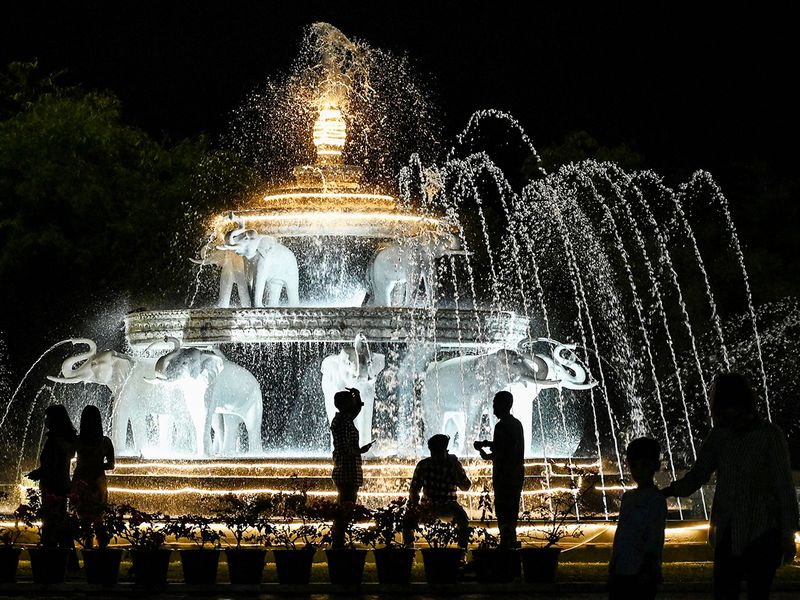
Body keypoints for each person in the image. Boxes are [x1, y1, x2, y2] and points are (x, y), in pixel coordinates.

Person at [662, 372, 799, 599]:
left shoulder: (764, 435)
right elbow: (699, 474)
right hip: (741, 529)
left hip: (757, 530)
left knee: (746, 592)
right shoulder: (725, 435)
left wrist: (787, 533)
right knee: (735, 591)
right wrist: (669, 491)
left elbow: (783, 486)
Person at [608, 437, 667, 600]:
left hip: (642, 572)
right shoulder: (628, 497)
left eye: (644, 465)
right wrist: (613, 563)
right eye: (634, 465)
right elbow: (621, 532)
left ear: (655, 465)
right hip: (622, 569)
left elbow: (654, 536)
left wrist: (649, 567)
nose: (638, 471)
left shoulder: (656, 499)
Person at [474, 390, 525, 547]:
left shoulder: (501, 426)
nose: (493, 408)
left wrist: (483, 452)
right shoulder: (516, 424)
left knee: (503, 507)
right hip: (516, 473)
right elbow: (508, 446)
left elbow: (499, 453)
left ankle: (505, 540)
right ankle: (511, 538)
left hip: (503, 475)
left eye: (496, 404)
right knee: (513, 507)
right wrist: (487, 444)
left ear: (504, 405)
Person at [403, 433, 472, 548]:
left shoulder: (431, 465)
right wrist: (414, 508)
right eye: (434, 452)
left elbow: (466, 486)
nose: (436, 455)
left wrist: (456, 467)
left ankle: (408, 549)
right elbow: (414, 491)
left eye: (438, 451)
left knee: (463, 520)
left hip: (441, 507)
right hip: (432, 507)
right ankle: (462, 551)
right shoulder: (425, 465)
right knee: (462, 519)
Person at [26, 404, 77, 549]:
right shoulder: (65, 439)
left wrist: (39, 472)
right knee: (59, 519)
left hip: (54, 485)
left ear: (55, 420)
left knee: (53, 520)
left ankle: (53, 552)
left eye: (48, 417)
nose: (45, 420)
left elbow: (54, 463)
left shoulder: (57, 440)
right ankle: (65, 555)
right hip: (60, 483)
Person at [329, 387, 373, 547]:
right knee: (346, 506)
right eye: (351, 401)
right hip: (346, 469)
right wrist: (359, 450)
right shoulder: (341, 422)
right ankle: (338, 541)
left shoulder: (344, 419)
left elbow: (356, 409)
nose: (354, 403)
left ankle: (339, 540)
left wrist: (357, 395)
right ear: (345, 404)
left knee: (346, 504)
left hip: (349, 469)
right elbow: (343, 447)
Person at [72, 405, 115, 547]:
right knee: (98, 517)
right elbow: (111, 465)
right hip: (98, 481)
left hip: (81, 480)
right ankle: (102, 549)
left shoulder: (77, 441)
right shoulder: (105, 442)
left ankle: (88, 548)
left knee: (83, 517)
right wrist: (97, 465)